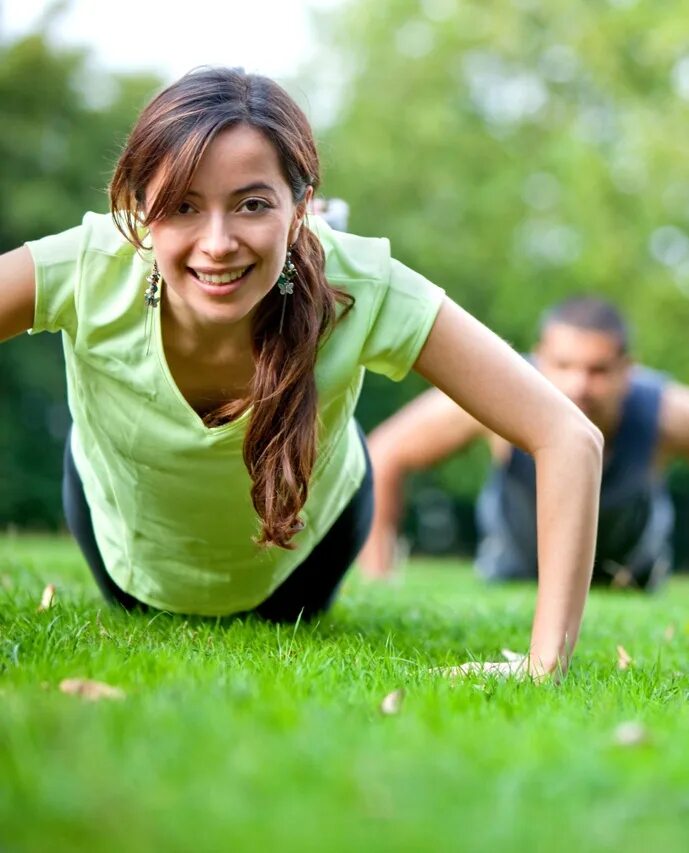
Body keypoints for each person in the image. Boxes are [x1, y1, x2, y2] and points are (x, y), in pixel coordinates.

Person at [0, 68, 603, 679]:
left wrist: (543, 663)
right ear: (139, 210)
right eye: (182, 205)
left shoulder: (365, 284)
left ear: (299, 209)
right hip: (126, 558)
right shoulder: (86, 266)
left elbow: (568, 437)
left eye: (252, 205)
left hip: (302, 566)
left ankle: (303, 250)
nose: (217, 243)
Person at [360, 297, 689, 612]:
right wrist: (379, 576)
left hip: (629, 584)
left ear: (628, 370)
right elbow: (385, 453)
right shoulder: (495, 393)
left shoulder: (671, 415)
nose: (578, 385)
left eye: (598, 371)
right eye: (564, 365)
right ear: (538, 359)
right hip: (513, 576)